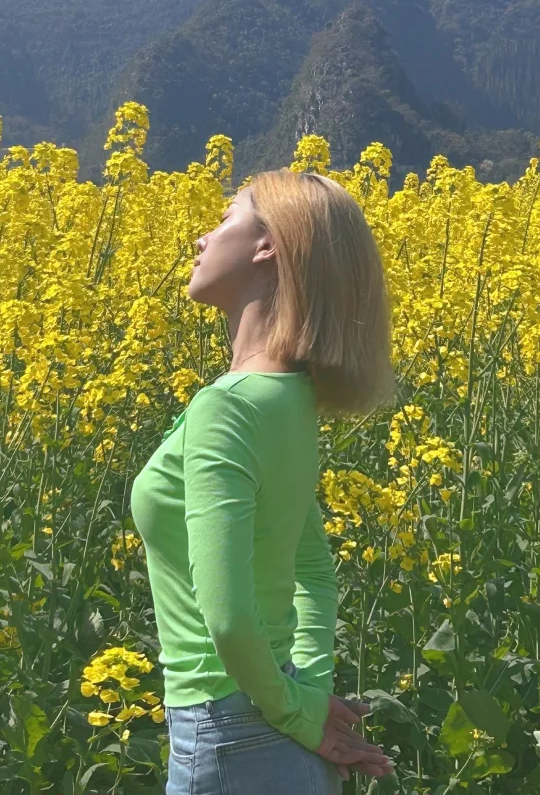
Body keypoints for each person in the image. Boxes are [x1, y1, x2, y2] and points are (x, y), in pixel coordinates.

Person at [130, 169, 398, 793]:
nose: (201, 239)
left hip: (227, 740)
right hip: (271, 729)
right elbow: (315, 572)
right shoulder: (289, 400)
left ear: (267, 245)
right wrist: (306, 696)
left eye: (224, 220)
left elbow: (225, 619)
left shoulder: (229, 406)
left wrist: (299, 712)